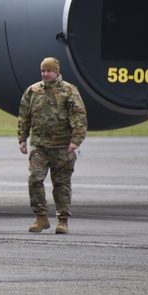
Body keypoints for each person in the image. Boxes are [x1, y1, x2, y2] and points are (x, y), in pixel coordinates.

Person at [17, 57, 87, 235]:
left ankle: (62, 221)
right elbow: (24, 116)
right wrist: (22, 139)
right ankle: (41, 217)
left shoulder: (69, 91)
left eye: (48, 71)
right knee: (34, 179)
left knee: (61, 184)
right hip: (39, 147)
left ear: (56, 72)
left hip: (62, 147)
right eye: (43, 71)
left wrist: (75, 141)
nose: (45, 74)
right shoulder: (32, 91)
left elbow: (79, 117)